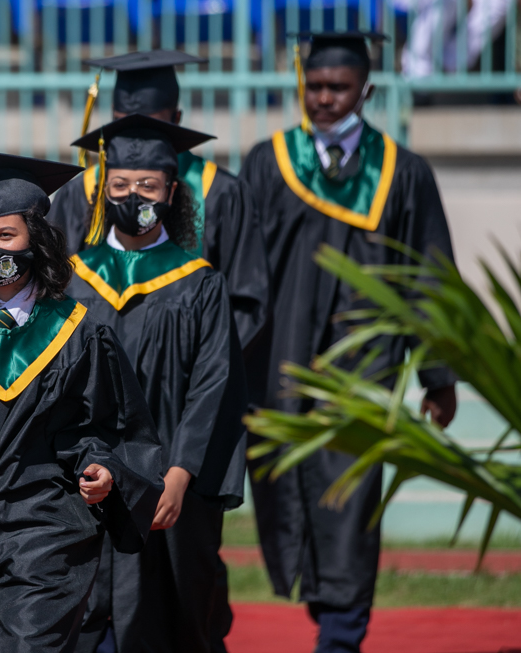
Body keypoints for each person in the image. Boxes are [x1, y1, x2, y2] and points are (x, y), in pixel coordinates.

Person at [240, 31, 458, 653]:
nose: (324, 100)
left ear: (366, 90)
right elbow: (240, 270)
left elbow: (430, 277)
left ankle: (340, 635)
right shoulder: (267, 162)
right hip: (278, 365)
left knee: (350, 502)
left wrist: (436, 377)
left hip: (362, 372)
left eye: (338, 89)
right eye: (314, 88)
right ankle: (325, 607)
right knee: (284, 500)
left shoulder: (404, 173)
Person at [0, 151, 164, 653]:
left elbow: (103, 426)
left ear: (37, 238)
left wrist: (104, 469)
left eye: (6, 237)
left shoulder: (79, 331)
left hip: (46, 523)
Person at [67, 114, 249, 653]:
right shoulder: (76, 274)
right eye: (119, 185)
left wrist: (179, 472)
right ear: (102, 192)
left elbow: (214, 383)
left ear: (172, 190)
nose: (133, 196)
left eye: (146, 186)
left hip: (172, 478)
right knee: (86, 607)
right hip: (88, 473)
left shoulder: (199, 282)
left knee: (175, 611)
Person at [48, 49, 269, 356]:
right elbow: (55, 291)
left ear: (176, 120)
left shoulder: (221, 191)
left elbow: (247, 301)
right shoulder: (82, 192)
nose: (134, 137)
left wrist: (202, 366)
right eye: (121, 125)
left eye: (149, 126)